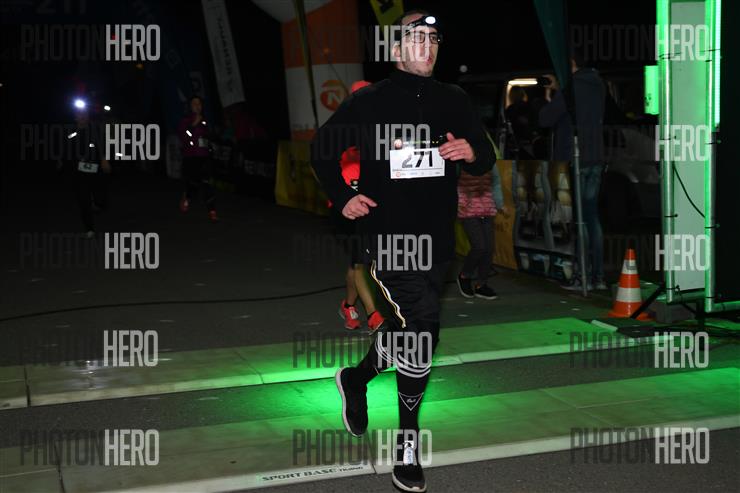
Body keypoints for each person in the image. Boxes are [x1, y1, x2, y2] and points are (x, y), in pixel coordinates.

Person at [311, 10, 493, 492]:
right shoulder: (370, 101)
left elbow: (485, 152)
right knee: (424, 325)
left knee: (408, 330)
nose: (427, 46)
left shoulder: (453, 99)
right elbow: (322, 151)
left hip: (438, 240)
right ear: (395, 50)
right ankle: (407, 444)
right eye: (416, 38)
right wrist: (343, 197)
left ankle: (356, 379)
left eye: (434, 38)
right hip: (388, 237)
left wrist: (471, 152)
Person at [539, 55, 606, 291]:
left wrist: (552, 94)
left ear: (570, 64)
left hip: (576, 157)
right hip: (596, 157)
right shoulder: (598, 83)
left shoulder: (571, 88)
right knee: (592, 217)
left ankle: (581, 276)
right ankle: (598, 277)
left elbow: (545, 119)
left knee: (579, 219)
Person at [334, 81, 386, 333]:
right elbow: (321, 164)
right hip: (348, 209)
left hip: (375, 207)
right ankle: (373, 314)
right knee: (360, 263)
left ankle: (347, 305)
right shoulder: (341, 130)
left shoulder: (382, 128)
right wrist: (340, 194)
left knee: (363, 263)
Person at [456, 161, 503, 300]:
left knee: (489, 249)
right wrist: (458, 203)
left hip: (487, 208)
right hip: (467, 210)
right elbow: (451, 182)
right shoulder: (460, 161)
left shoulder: (489, 160)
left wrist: (499, 203)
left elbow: (496, 182)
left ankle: (481, 285)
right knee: (479, 246)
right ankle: (464, 275)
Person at [66, 99, 110, 238]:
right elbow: (66, 146)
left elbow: (101, 144)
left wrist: (104, 159)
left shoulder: (95, 129)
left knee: (100, 197)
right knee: (83, 200)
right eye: (79, 114)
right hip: (78, 171)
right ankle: (89, 228)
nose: (83, 116)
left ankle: (97, 203)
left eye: (85, 114)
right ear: (75, 117)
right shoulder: (71, 131)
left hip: (94, 167)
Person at [178, 96, 217, 221]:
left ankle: (212, 210)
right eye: (194, 104)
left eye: (199, 104)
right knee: (193, 184)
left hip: (204, 158)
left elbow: (208, 137)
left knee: (207, 183)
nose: (197, 106)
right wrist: (194, 124)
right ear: (190, 107)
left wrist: (211, 144)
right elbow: (184, 136)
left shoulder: (205, 121)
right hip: (191, 157)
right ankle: (186, 197)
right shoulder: (186, 120)